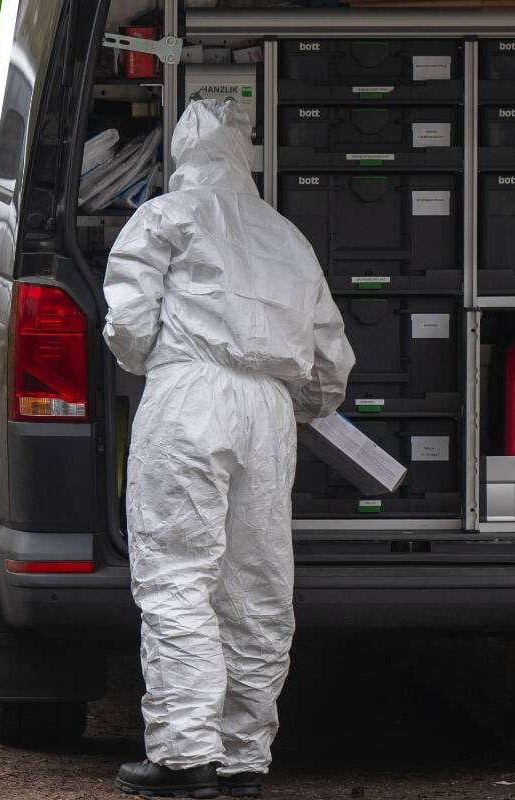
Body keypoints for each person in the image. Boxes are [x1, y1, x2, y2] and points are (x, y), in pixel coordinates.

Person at [103, 98, 355, 799]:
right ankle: (245, 758)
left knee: (180, 574)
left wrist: (163, 361)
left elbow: (126, 321)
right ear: (246, 158)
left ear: (182, 155)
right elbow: (331, 358)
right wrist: (296, 404)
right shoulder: (286, 236)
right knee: (257, 586)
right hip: (269, 412)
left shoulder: (164, 216)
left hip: (189, 395)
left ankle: (186, 757)